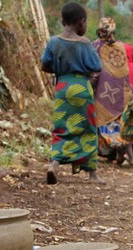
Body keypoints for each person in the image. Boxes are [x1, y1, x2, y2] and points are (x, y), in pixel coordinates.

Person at [41, 2, 103, 185]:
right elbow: (97, 67)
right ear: (81, 22)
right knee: (88, 128)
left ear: (62, 21)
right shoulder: (85, 43)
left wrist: (59, 68)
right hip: (82, 87)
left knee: (61, 126)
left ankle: (55, 163)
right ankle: (92, 174)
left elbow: (44, 64)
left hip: (63, 87)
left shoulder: (53, 41)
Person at [93, 17, 133, 167]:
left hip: (102, 90)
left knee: (103, 121)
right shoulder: (121, 47)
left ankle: (108, 153)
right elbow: (124, 71)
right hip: (119, 91)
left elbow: (93, 68)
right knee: (116, 120)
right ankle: (117, 150)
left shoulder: (94, 46)